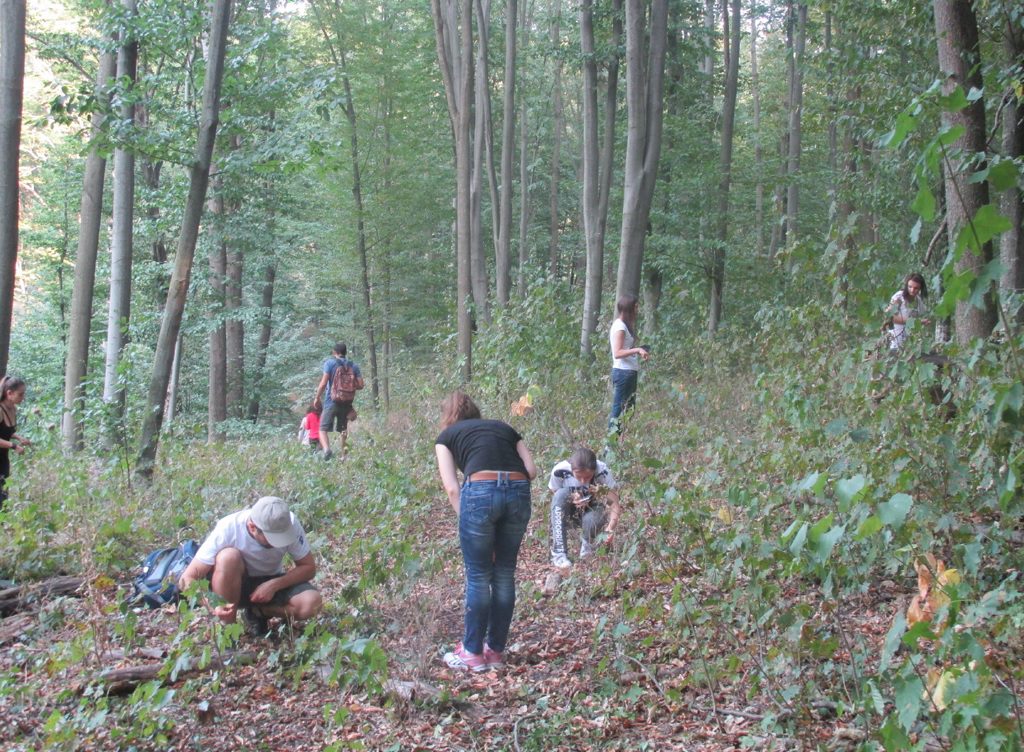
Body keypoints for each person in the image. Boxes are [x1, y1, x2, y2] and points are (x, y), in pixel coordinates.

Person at [434, 391, 537, 672]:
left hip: (479, 492)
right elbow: (531, 469)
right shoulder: (504, 428)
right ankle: (495, 651)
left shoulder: (446, 437)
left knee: (479, 575)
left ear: (447, 416)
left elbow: (452, 487)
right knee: (504, 572)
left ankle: (471, 653)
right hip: (519, 491)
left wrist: (471, 521)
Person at [178, 496, 323, 637]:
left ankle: (258, 612)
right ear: (252, 527)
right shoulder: (228, 528)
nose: (278, 543)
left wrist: (274, 585)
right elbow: (186, 579)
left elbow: (308, 567)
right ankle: (227, 630)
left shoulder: (287, 522)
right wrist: (211, 604)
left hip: (270, 582)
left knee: (312, 603)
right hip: (232, 585)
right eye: (272, 538)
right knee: (228, 557)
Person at [548, 447, 621, 570]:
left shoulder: (602, 471)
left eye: (587, 477)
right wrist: (572, 498)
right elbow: (556, 497)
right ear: (571, 469)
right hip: (571, 510)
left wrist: (610, 528)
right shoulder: (560, 471)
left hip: (593, 508)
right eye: (578, 476)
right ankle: (559, 554)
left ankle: (587, 550)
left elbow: (614, 504)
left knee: (591, 519)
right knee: (560, 494)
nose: (582, 481)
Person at [313, 342, 364, 459]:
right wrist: (348, 385)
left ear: (334, 352)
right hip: (346, 403)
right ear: (345, 352)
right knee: (343, 430)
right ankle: (344, 456)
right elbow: (361, 385)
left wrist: (317, 398)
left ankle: (326, 450)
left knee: (322, 428)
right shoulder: (353, 366)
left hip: (331, 401)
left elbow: (323, 383)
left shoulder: (330, 363)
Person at [608, 294, 650, 433]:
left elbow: (624, 349)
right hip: (623, 373)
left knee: (629, 409)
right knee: (618, 410)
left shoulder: (624, 326)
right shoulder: (620, 327)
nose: (637, 311)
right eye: (635, 308)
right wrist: (637, 350)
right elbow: (618, 352)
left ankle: (619, 438)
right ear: (628, 309)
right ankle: (610, 446)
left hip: (628, 372)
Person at [0, 376, 30, 510]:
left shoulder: (13, 409)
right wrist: (14, 446)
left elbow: (5, 431)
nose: (23, 397)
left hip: (3, 458)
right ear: (9, 393)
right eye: (20, 394)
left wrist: (18, 438)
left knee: (4, 492)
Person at [886, 272, 929, 352]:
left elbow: (919, 319)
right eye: (910, 287)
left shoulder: (918, 301)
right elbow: (888, 317)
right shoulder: (899, 297)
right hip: (895, 341)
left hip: (910, 343)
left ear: (920, 288)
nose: (912, 290)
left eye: (916, 288)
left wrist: (922, 323)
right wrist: (914, 322)